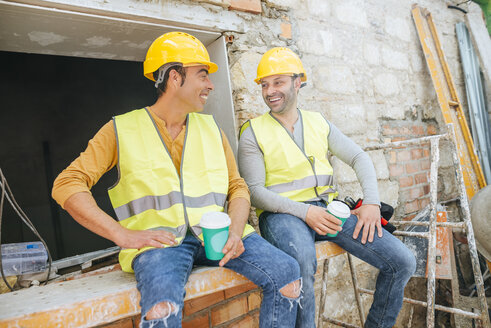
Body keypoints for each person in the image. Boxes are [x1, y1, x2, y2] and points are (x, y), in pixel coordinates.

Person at [52, 33, 302, 328]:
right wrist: (121, 235)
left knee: (288, 274)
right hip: (160, 245)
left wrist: (236, 229)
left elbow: (237, 186)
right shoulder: (120, 129)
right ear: (174, 77)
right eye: (202, 75)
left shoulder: (211, 128)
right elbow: (67, 184)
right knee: (162, 307)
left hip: (219, 237)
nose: (209, 84)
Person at [238, 47, 417, 328]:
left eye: (278, 82)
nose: (269, 90)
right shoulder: (253, 131)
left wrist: (371, 203)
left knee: (403, 261)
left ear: (298, 83)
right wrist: (305, 213)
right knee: (302, 260)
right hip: (282, 216)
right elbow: (254, 191)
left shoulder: (318, 122)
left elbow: (359, 157)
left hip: (329, 211)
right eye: (264, 84)